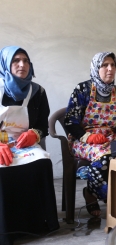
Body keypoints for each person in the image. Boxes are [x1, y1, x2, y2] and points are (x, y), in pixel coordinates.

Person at [64, 52, 116, 216]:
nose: (110, 69)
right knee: (106, 157)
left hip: (110, 138)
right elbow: (70, 121)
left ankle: (93, 193)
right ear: (96, 68)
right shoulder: (83, 89)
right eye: (104, 65)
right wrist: (87, 137)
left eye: (113, 65)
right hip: (84, 139)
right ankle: (113, 199)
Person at [0, 46, 59, 245]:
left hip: (24, 144)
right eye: (15, 61)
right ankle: (6, 229)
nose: (22, 65)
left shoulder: (38, 92)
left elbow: (42, 123)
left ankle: (39, 223)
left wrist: (35, 134)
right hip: (1, 143)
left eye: (25, 60)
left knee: (42, 162)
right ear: (6, 64)